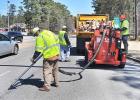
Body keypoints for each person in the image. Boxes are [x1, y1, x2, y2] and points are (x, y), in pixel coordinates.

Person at [32, 26, 60, 92]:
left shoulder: (40, 37)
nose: (36, 36)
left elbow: (38, 50)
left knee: (47, 72)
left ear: (37, 32)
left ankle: (47, 87)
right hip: (56, 54)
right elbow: (57, 40)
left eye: (35, 34)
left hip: (49, 56)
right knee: (55, 70)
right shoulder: (49, 32)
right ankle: (57, 83)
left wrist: (34, 59)